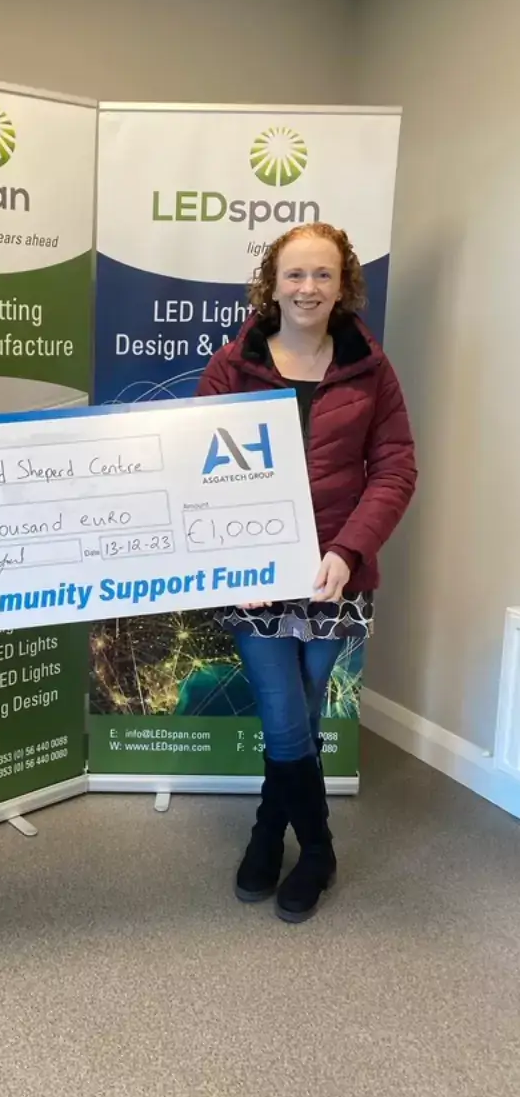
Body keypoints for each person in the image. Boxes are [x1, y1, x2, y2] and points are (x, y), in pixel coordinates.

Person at [196, 222, 416, 924]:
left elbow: (395, 468)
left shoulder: (370, 367)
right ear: (273, 282)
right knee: (286, 717)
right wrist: (235, 561)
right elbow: (195, 470)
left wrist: (348, 551)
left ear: (343, 284)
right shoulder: (232, 365)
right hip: (256, 581)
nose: (308, 288)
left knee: (306, 712)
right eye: (295, 274)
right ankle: (316, 849)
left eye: (323, 274)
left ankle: (269, 830)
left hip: (334, 577)